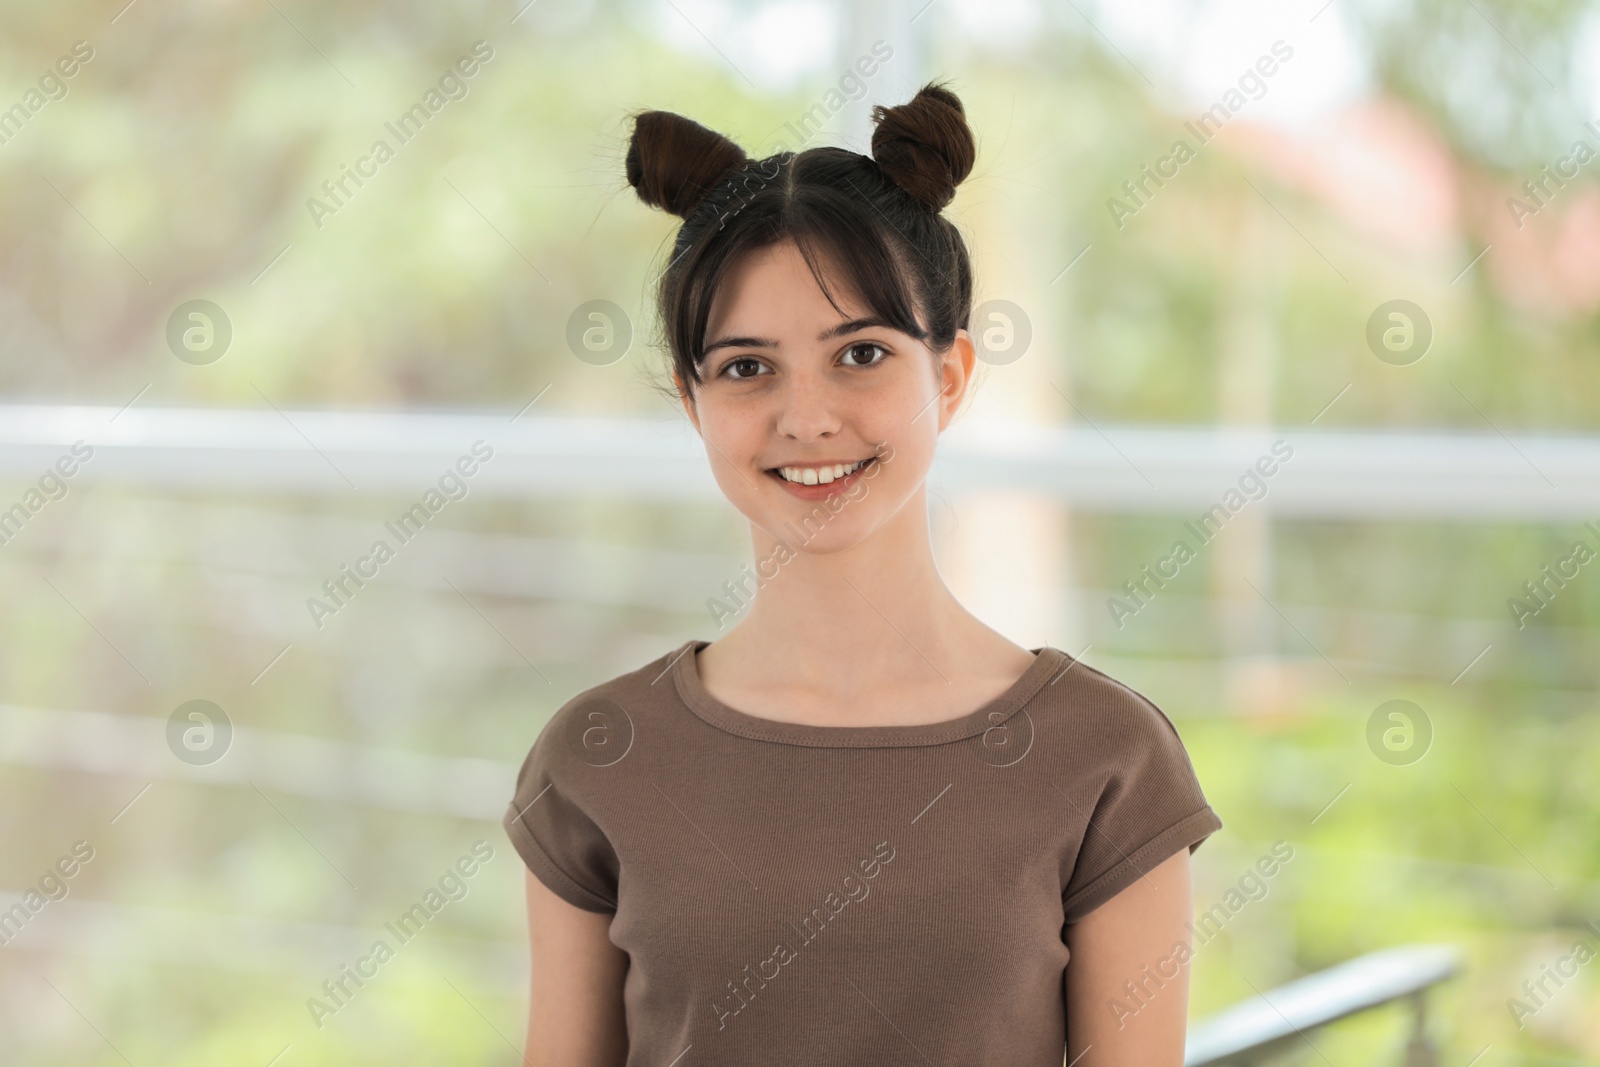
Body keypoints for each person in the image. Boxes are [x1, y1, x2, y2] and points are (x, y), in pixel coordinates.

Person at [503, 79, 1222, 1067]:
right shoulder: (598, 755)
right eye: (747, 367)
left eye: (861, 353)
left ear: (950, 375)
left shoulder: (1106, 759)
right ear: (691, 400)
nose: (807, 416)